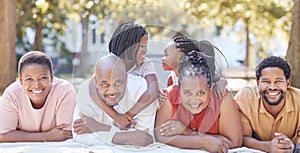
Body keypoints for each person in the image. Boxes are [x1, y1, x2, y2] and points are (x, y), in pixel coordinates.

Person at [155, 51, 242, 152]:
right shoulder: (170, 96)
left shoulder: (221, 98)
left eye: (200, 93)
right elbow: (160, 135)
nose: (194, 100)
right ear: (179, 89)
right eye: (187, 93)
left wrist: (188, 133)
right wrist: (202, 141)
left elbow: (234, 142)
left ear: (209, 90)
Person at [73, 54, 157, 146]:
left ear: (126, 78)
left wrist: (98, 127)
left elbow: (144, 138)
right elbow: (80, 136)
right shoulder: (85, 94)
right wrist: (125, 137)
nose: (112, 91)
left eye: (118, 82)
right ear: (96, 82)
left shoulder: (142, 93)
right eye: (105, 84)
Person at [94, 22, 159, 130]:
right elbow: (94, 90)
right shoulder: (109, 63)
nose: (146, 50)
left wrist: (129, 115)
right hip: (112, 111)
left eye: (146, 46)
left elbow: (153, 90)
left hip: (136, 112)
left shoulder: (145, 64)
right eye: (142, 46)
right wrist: (117, 117)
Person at [0, 51, 76, 142]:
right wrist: (46, 136)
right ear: (21, 80)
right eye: (29, 79)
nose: (36, 85)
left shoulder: (64, 90)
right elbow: (3, 135)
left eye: (43, 77)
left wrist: (19, 135)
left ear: (51, 77)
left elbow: (65, 134)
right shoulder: (12, 94)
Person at [235, 56, 300, 153]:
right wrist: (267, 147)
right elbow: (242, 138)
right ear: (257, 82)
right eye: (266, 81)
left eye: (279, 81)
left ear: (288, 82)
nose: (272, 87)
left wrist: (293, 147)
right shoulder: (245, 98)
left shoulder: (298, 99)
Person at [159, 36, 228, 104]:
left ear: (180, 58)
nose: (162, 59)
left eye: (166, 54)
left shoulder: (197, 75)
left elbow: (219, 78)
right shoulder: (172, 77)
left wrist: (220, 84)